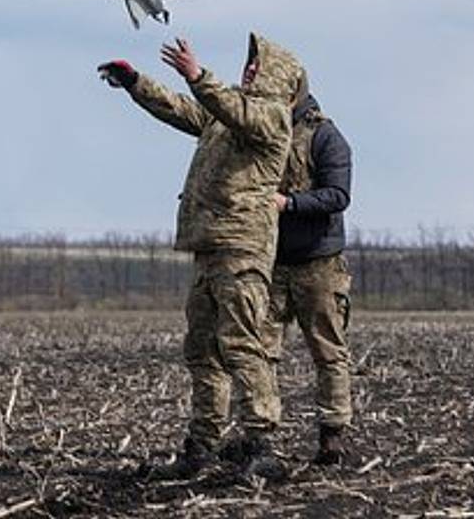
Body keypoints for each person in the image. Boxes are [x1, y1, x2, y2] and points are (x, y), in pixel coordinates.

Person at [98, 33, 307, 481]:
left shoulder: (270, 119)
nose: (248, 70)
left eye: (257, 65)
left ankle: (261, 444)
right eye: (248, 64)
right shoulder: (226, 118)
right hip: (209, 247)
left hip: (241, 249)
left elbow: (232, 109)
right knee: (202, 352)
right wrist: (137, 84)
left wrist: (198, 74)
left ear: (278, 76)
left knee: (242, 346)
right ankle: (202, 445)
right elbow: (183, 109)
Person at [263, 87, 354, 465]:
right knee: (259, 351)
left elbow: (337, 195)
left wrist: (289, 203)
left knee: (328, 351)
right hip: (270, 264)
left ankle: (332, 434)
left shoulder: (326, 136)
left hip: (319, 264)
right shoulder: (264, 130)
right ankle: (260, 435)